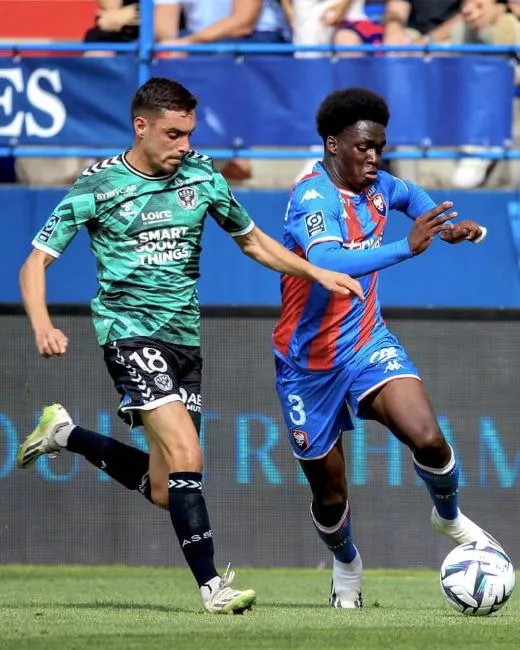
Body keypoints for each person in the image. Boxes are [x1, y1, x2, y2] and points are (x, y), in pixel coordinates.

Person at [16, 77, 363, 615]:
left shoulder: (201, 175)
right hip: (129, 334)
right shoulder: (98, 185)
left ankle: (64, 433)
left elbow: (253, 241)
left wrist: (314, 270)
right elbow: (35, 261)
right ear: (142, 126)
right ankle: (212, 589)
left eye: (189, 133)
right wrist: (42, 323)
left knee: (165, 487)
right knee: (188, 455)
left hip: (184, 342)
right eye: (174, 134)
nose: (184, 145)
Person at [272, 87, 494, 609]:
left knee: (430, 440)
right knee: (331, 496)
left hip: (367, 343)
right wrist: (406, 247)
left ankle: (449, 517)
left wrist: (446, 228)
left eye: (380, 148)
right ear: (332, 145)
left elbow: (415, 200)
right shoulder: (312, 199)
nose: (374, 159)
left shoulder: (379, 185)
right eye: (363, 148)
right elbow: (328, 263)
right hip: (307, 365)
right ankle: (347, 563)